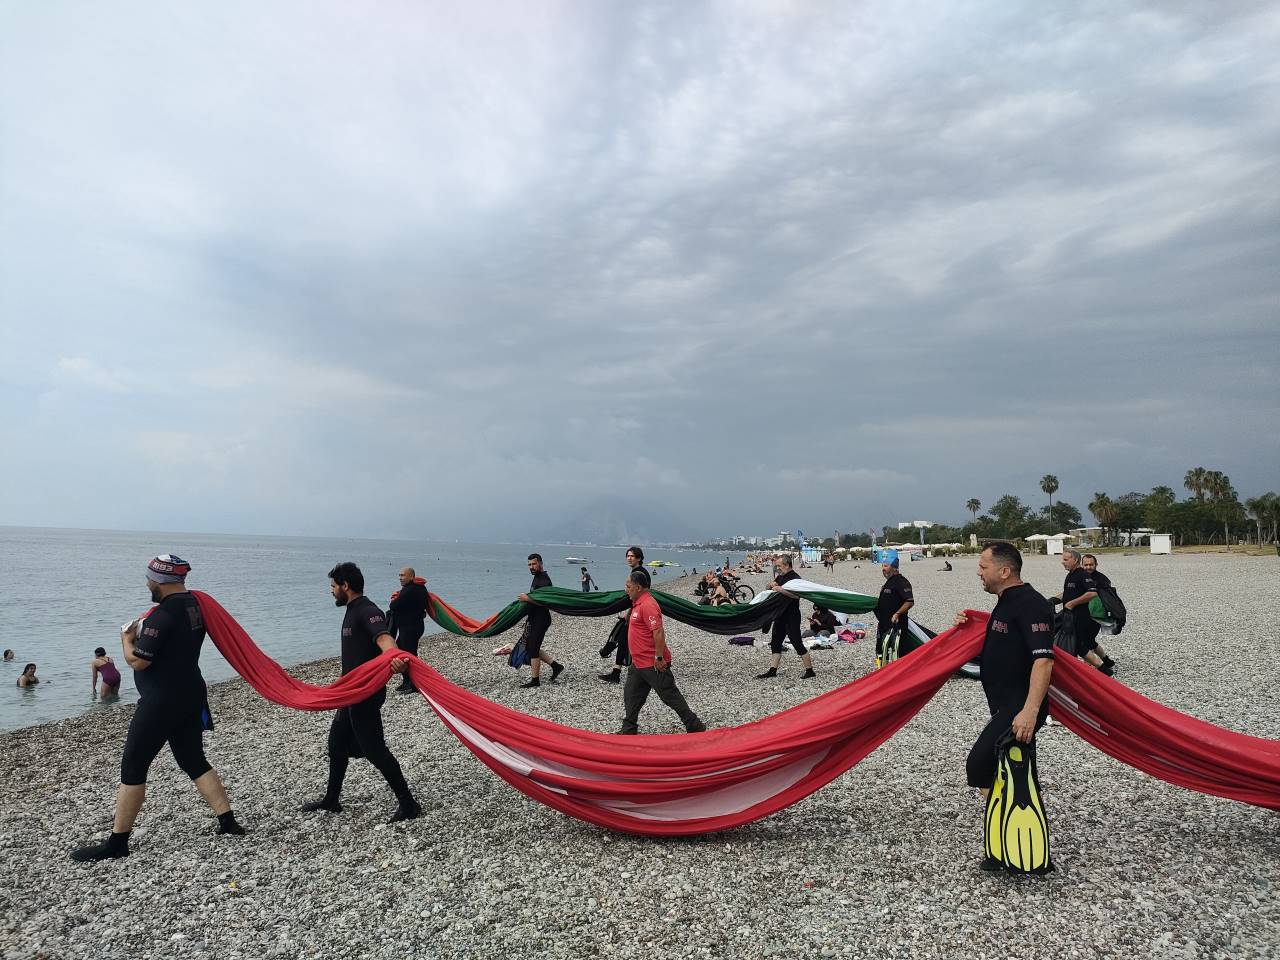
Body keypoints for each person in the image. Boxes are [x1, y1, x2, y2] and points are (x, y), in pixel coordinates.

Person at [70, 555, 246, 862]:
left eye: (149, 578)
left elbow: (139, 660)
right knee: (193, 759)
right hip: (191, 693)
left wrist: (126, 639)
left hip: (162, 701)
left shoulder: (163, 616)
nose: (147, 583)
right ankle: (228, 822)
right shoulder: (195, 605)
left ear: (161, 580)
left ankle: (118, 843)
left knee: (134, 765)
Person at [954, 542, 1054, 872]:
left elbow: (1043, 662)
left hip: (1020, 707)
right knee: (1015, 773)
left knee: (979, 764)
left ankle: (1015, 837)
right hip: (1005, 707)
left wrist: (1029, 711)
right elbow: (1000, 647)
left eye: (983, 567)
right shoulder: (1005, 602)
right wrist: (963, 630)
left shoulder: (1030, 605)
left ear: (1004, 571)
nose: (978, 573)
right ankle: (1015, 851)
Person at [301, 561, 421, 822]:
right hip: (350, 694)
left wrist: (395, 657)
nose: (331, 591)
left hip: (365, 694)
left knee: (376, 750)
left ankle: (408, 804)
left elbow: (383, 637)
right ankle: (332, 799)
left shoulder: (367, 611)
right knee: (336, 745)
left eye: (333, 586)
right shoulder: (352, 609)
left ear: (346, 586)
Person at [617, 568, 705, 734]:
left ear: (638, 588)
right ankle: (629, 728)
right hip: (638, 663)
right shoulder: (637, 603)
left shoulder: (648, 604)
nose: (625, 589)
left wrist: (658, 657)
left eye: (628, 586)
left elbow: (658, 631)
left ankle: (694, 725)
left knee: (669, 695)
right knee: (632, 694)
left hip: (653, 662)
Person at [1049, 548, 1113, 675]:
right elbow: (1068, 593)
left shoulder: (1082, 575)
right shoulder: (1070, 575)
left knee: (1079, 644)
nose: (1063, 562)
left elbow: (1092, 593)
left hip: (1080, 617)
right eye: (1063, 559)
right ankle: (1104, 668)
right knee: (1079, 645)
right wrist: (1054, 600)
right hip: (1070, 616)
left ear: (1075, 560)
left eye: (1066, 559)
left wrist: (1072, 603)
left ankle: (1104, 669)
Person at [757, 554, 816, 680]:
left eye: (779, 565)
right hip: (780, 615)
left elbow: (797, 596)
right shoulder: (781, 576)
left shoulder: (795, 578)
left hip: (791, 616)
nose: (777, 568)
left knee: (797, 643)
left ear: (787, 565)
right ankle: (772, 670)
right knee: (775, 643)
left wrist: (780, 589)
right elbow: (771, 588)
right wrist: (770, 585)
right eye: (777, 566)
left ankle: (810, 671)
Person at [516, 554, 564, 689]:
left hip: (541, 619)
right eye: (529, 565)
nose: (531, 567)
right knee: (531, 646)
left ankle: (535, 680)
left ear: (541, 563)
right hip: (535, 618)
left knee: (533, 648)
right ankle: (556, 666)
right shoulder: (537, 578)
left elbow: (545, 602)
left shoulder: (544, 580)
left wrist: (527, 599)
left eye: (534, 564)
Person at [600, 547, 645, 683]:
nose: (629, 558)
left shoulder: (640, 573)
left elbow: (639, 595)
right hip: (636, 610)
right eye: (627, 556)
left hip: (639, 612)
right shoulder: (637, 572)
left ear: (639, 558)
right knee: (624, 639)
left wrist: (630, 613)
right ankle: (616, 671)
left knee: (628, 640)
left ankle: (618, 671)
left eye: (632, 556)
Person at [389, 566, 429, 694]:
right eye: (399, 575)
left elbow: (394, 605)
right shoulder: (421, 588)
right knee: (403, 654)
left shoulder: (410, 590)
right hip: (414, 627)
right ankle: (407, 682)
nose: (400, 578)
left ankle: (414, 684)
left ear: (411, 576)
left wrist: (395, 598)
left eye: (403, 575)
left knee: (408, 656)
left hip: (410, 628)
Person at [874, 558, 915, 669]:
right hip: (883, 624)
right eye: (882, 566)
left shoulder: (902, 582)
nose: (883, 569)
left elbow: (909, 601)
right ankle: (881, 671)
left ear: (894, 567)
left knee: (898, 650)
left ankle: (899, 672)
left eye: (886, 566)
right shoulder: (889, 581)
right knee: (880, 650)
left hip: (897, 625)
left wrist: (897, 613)